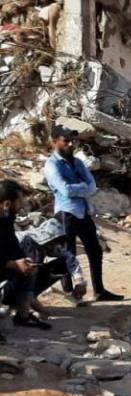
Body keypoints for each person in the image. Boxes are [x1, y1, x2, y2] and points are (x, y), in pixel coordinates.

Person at [43, 122, 122, 302]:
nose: (70, 144)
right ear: (55, 142)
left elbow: (93, 186)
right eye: (66, 141)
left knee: (95, 250)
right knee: (68, 253)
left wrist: (80, 187)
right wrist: (83, 187)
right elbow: (66, 190)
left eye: (72, 141)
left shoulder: (78, 162)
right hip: (65, 213)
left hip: (83, 211)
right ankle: (69, 293)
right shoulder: (51, 165)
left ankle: (99, 291)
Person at [0, 181, 50, 331]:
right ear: (7, 204)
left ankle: (23, 314)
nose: (22, 205)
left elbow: (12, 245)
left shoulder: (6, 218)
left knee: (28, 269)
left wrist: (23, 261)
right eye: (20, 201)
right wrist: (13, 264)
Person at [17, 218, 88, 316]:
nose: (54, 246)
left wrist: (79, 281)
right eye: (53, 243)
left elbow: (68, 257)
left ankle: (30, 298)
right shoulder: (22, 241)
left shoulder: (48, 245)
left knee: (63, 264)